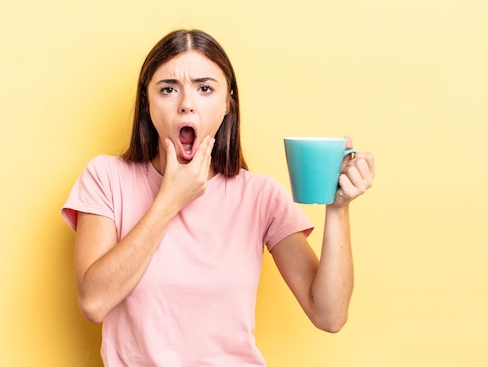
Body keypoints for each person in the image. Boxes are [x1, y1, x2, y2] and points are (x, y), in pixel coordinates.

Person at [61, 29, 375, 366]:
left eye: (205, 88)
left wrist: (338, 209)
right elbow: (94, 302)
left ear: (228, 103)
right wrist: (170, 201)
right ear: (146, 103)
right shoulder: (106, 178)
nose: (186, 104)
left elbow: (329, 316)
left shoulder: (261, 196)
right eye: (168, 89)